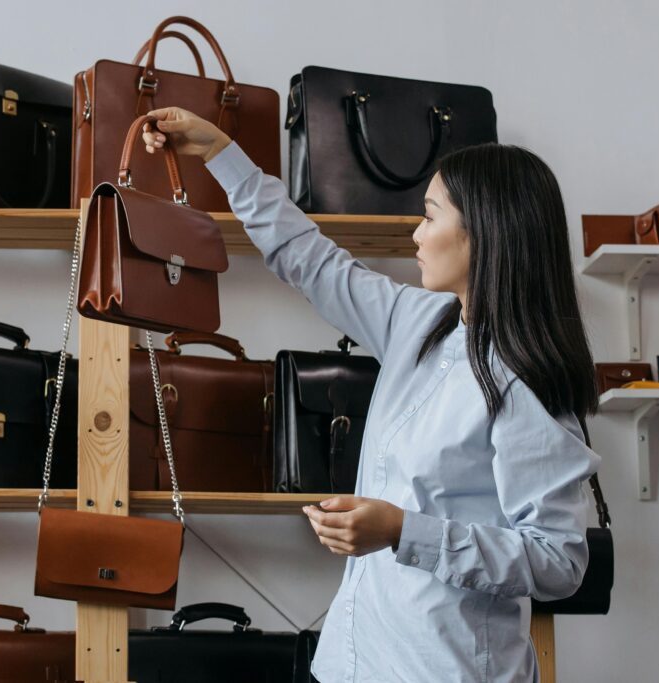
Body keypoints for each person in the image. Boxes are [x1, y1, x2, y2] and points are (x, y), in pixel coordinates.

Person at [141, 107, 599, 683]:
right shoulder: (420, 320)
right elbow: (309, 260)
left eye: (430, 217)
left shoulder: (525, 378)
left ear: (484, 231)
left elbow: (559, 563)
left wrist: (404, 531)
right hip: (350, 663)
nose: (416, 233)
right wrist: (219, 152)